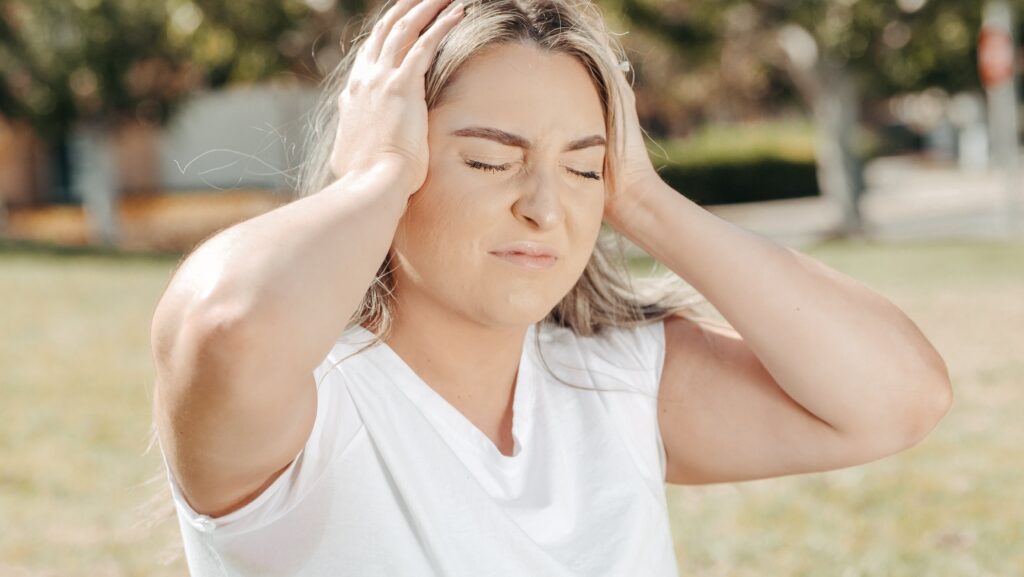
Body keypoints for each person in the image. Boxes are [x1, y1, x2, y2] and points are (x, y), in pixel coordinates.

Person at [146, 0, 953, 574]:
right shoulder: (307, 413)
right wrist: (374, 175)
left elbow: (901, 396)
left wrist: (644, 200)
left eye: (580, 166)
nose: (543, 207)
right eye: (490, 160)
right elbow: (229, 323)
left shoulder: (615, 384)